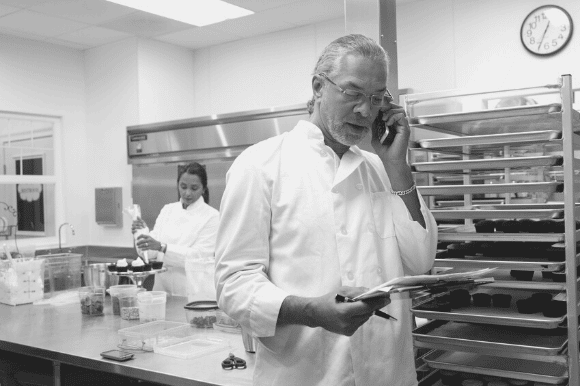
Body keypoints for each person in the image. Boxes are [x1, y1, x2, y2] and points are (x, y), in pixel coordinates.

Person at [215, 34, 438, 386]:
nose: (366, 110)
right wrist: (311, 312)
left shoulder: (381, 169)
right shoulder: (260, 165)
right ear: (319, 86)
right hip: (304, 374)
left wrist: (398, 166)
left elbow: (420, 260)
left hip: (388, 374)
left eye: (377, 98)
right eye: (353, 93)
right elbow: (234, 284)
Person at [133, 162, 219, 298]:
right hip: (162, 293)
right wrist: (141, 233)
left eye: (194, 188)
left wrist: (163, 247)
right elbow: (149, 255)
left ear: (203, 189)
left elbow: (199, 257)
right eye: (183, 187)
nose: (187, 193)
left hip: (192, 294)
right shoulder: (168, 210)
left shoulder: (212, 216)